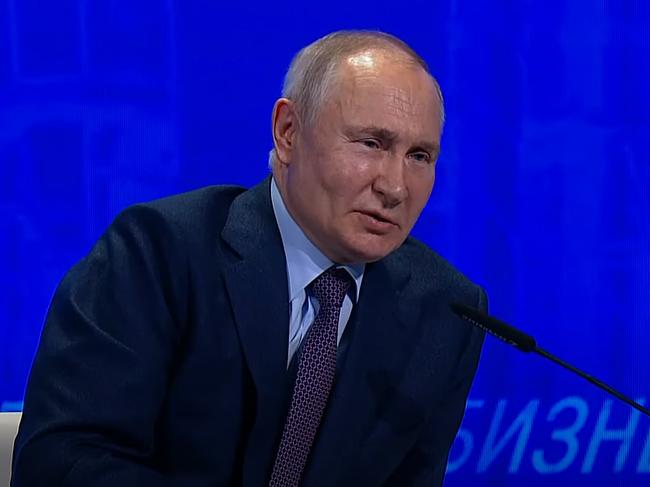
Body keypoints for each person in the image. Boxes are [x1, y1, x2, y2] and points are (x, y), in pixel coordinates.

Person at [12, 30, 486, 487]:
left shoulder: (445, 311)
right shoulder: (159, 253)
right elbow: (61, 462)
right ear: (288, 132)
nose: (395, 187)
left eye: (419, 156)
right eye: (371, 144)